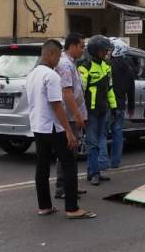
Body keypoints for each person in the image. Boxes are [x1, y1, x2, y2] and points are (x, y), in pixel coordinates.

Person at [27, 40, 95, 219]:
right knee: (69, 164)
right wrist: (68, 131)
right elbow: (56, 105)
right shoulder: (51, 76)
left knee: (42, 167)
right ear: (50, 54)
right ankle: (72, 208)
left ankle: (44, 206)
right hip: (53, 127)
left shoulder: (32, 74)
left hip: (38, 126)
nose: (58, 60)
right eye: (57, 56)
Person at [80, 35, 116, 186]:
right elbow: (80, 92)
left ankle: (92, 172)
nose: (106, 52)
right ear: (95, 50)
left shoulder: (107, 66)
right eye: (103, 50)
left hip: (103, 110)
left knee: (98, 141)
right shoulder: (84, 67)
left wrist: (113, 107)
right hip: (90, 111)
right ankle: (94, 173)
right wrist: (80, 112)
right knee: (93, 143)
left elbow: (110, 89)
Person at [54, 33, 87, 200]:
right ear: (72, 46)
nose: (83, 50)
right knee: (68, 153)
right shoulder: (65, 65)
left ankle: (70, 185)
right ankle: (63, 188)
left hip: (72, 115)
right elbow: (67, 93)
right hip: (69, 116)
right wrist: (77, 114)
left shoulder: (71, 64)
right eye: (81, 46)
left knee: (72, 153)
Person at [109, 38, 135, 169]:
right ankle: (115, 161)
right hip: (121, 105)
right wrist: (131, 107)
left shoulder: (109, 66)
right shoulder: (129, 69)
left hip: (109, 104)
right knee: (117, 134)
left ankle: (101, 161)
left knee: (101, 134)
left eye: (111, 49)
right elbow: (131, 89)